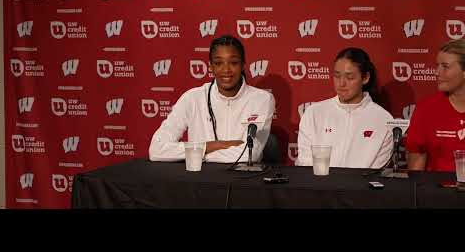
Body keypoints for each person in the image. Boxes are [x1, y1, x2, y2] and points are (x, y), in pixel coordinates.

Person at [149, 35, 276, 163]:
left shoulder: (262, 99)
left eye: (233, 63)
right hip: (200, 179)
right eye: (218, 63)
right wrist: (211, 146)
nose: (226, 70)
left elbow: (250, 154)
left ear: (243, 65)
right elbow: (156, 149)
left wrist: (196, 154)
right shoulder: (192, 98)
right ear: (210, 66)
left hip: (244, 179)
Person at [295, 47, 393, 168]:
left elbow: (376, 172)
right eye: (337, 76)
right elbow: (305, 163)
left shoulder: (383, 119)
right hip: (317, 185)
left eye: (350, 77)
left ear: (366, 78)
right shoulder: (313, 113)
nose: (341, 83)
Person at [406, 39, 465, 171]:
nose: (437, 72)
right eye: (437, 65)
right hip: (437, 190)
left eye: (445, 66)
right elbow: (416, 171)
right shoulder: (426, 109)